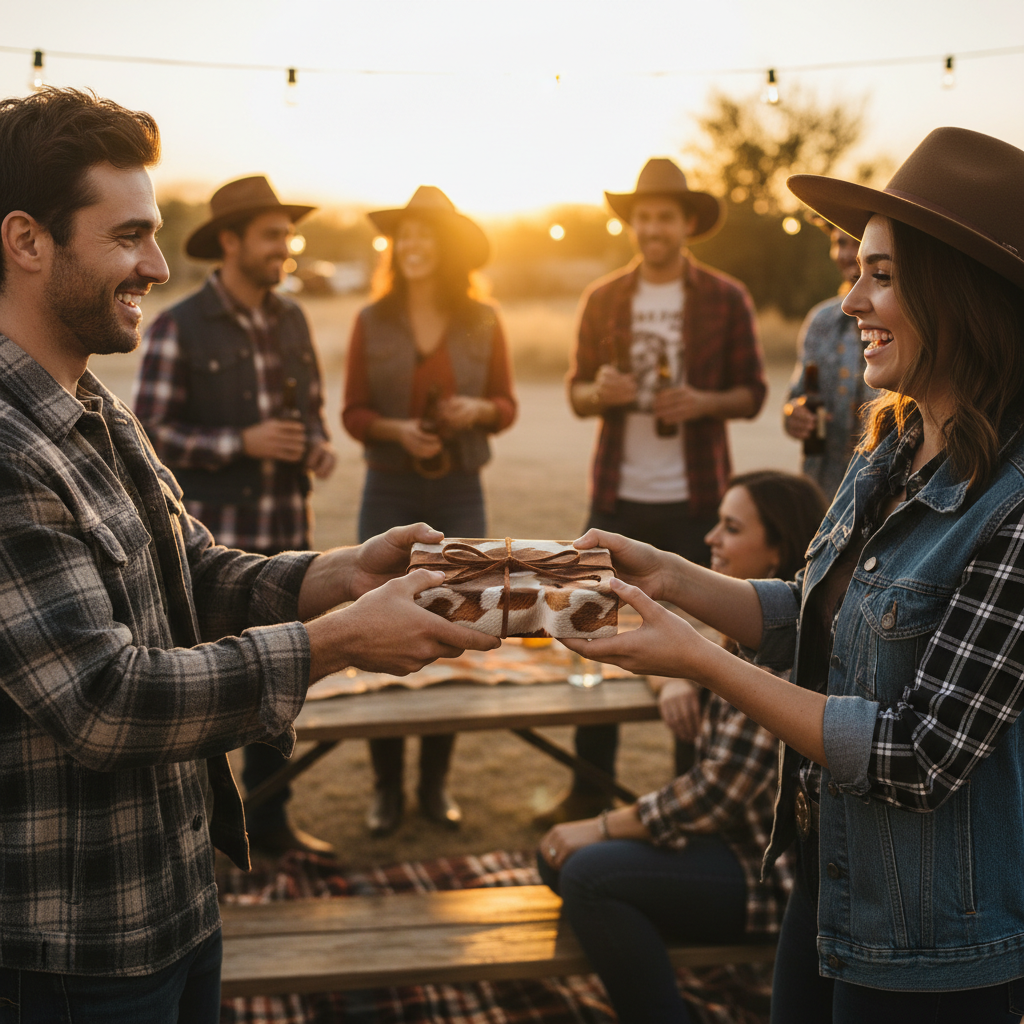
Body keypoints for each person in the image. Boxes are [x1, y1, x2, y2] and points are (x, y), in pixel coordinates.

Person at [0, 87, 497, 1023]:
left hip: (177, 899)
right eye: (127, 236)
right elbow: (107, 702)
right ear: (26, 241)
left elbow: (194, 574)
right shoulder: (6, 449)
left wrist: (337, 575)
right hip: (75, 949)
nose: (155, 262)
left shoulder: (99, 415)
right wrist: (338, 642)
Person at [562, 127, 1024, 1022]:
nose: (850, 298)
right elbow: (817, 616)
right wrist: (672, 578)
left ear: (962, 296)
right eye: (859, 271)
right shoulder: (891, 444)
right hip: (823, 881)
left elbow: (918, 754)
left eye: (881, 276)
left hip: (936, 941)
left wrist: (699, 660)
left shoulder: (1014, 504)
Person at [537, 471, 825, 1023]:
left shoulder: (782, 650)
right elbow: (681, 658)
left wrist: (600, 826)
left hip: (768, 873)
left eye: (731, 527)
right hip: (729, 847)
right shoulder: (742, 631)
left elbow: (718, 793)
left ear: (777, 552)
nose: (711, 538)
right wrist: (671, 681)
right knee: (559, 862)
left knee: (584, 873)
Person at [543, 156, 767, 825]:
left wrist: (701, 401)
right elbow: (577, 391)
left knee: (698, 648)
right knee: (591, 630)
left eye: (664, 217)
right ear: (632, 222)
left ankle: (690, 785)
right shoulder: (604, 298)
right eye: (642, 217)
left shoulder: (726, 298)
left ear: (686, 223)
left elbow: (752, 393)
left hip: (699, 499)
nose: (652, 228)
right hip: (616, 494)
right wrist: (598, 392)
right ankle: (589, 786)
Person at [134, 174, 338, 858]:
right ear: (231, 241)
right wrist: (237, 443)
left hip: (289, 540)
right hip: (215, 551)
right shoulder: (176, 325)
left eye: (289, 234)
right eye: (272, 235)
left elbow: (309, 410)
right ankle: (209, 838)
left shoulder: (293, 318)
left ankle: (273, 827)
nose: (286, 246)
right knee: (217, 691)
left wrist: (317, 444)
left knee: (284, 687)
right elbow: (150, 434)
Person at [342, 185, 517, 836]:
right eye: (403, 235)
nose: (411, 245)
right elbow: (353, 414)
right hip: (387, 487)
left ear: (446, 249)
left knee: (454, 622)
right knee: (377, 625)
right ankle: (386, 787)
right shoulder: (370, 320)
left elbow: (506, 405)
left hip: (459, 488)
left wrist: (477, 411)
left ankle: (434, 782)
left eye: (425, 235)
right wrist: (395, 430)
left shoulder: (484, 320)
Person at [783, 224, 877, 499]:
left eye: (857, 243)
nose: (848, 254)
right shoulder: (821, 320)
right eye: (840, 243)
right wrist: (794, 415)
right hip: (824, 490)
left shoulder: (908, 321)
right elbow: (796, 397)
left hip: (884, 494)